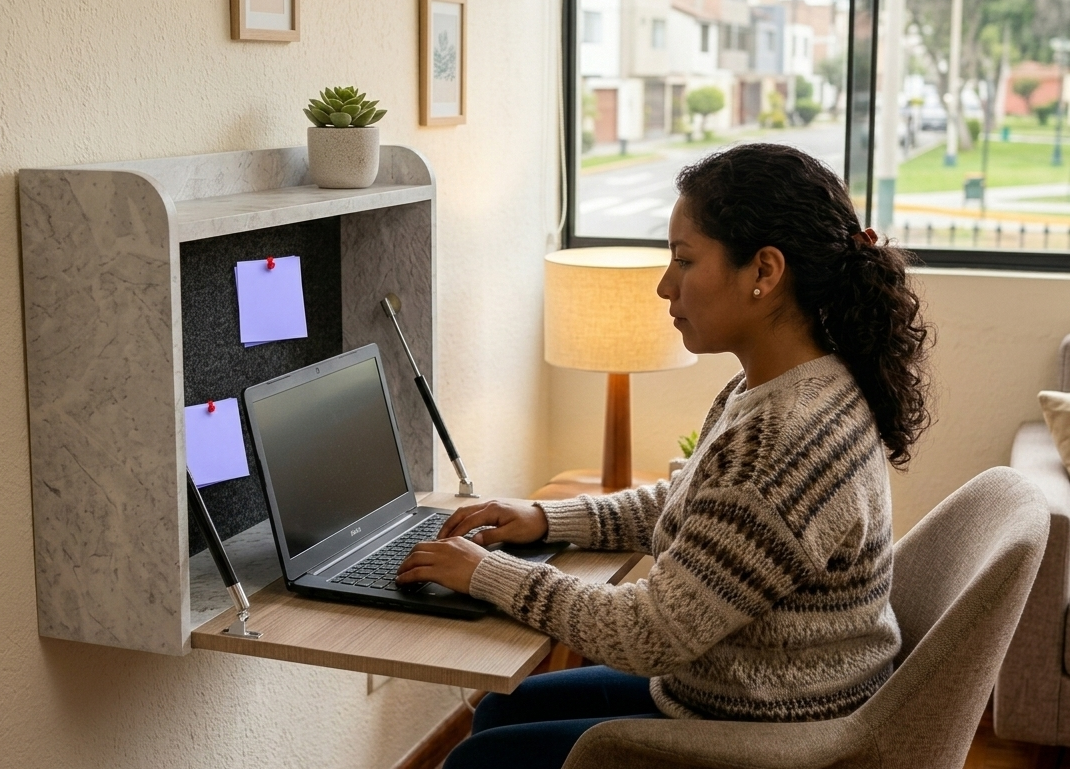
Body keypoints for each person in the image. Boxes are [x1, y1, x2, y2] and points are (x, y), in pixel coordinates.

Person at [396, 143, 933, 769]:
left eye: (683, 260)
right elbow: (700, 511)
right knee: (500, 709)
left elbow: (649, 633)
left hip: (777, 735)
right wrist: (546, 518)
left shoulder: (789, 440)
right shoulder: (785, 384)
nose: (663, 285)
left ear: (764, 271)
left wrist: (483, 573)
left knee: (478, 760)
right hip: (743, 691)